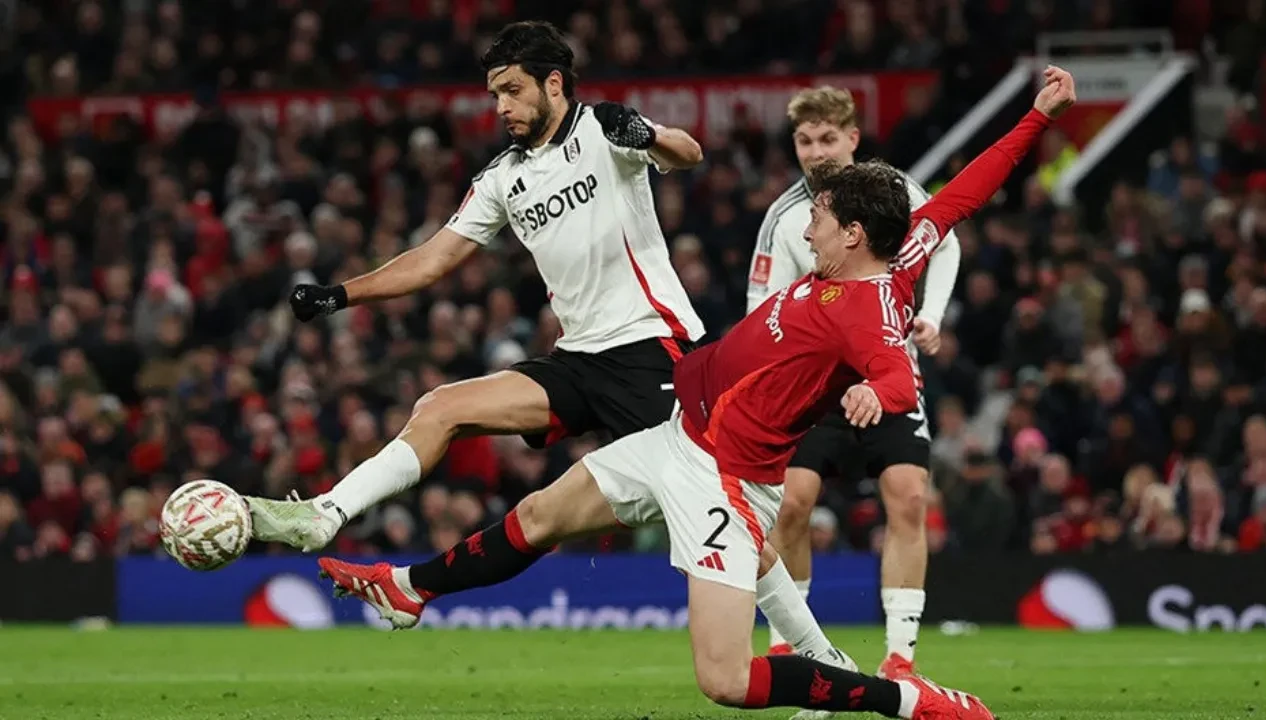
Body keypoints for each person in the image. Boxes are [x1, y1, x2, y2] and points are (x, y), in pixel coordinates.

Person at [316, 65, 1078, 720]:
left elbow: (888, 365)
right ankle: (411, 589)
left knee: (724, 681)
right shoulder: (898, 247)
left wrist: (879, 394)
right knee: (541, 514)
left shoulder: (870, 315)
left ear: (851, 234)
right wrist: (1036, 117)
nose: (804, 223)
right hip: (680, 435)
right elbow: (965, 193)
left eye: (818, 215)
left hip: (732, 480)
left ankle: (903, 701)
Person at [244, 21, 708, 548]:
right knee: (439, 407)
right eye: (494, 95)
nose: (501, 107)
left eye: (512, 91)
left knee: (709, 507)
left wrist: (649, 135)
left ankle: (803, 635)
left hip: (650, 348)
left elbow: (688, 152)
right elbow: (432, 259)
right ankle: (325, 513)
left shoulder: (602, 128)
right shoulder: (502, 178)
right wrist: (340, 295)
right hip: (578, 360)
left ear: (553, 84)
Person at [747, 86, 961, 670]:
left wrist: (931, 314)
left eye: (826, 138)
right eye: (803, 140)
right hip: (813, 390)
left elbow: (947, 243)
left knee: (910, 498)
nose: (815, 152)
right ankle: (789, 645)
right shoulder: (785, 216)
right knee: (792, 505)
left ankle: (899, 656)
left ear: (852, 139)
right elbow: (759, 307)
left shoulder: (894, 192)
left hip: (886, 373)